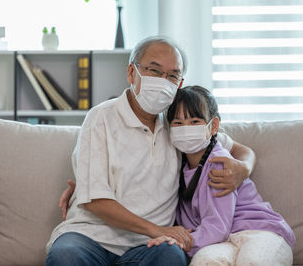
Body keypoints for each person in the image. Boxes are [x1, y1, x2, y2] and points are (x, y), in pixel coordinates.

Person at [45, 36, 256, 266]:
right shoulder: (101, 117)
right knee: (65, 255)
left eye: (172, 76)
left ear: (180, 85)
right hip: (90, 237)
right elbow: (94, 199)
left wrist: (243, 168)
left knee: (171, 257)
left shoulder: (179, 125)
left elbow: (238, 149)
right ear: (131, 73)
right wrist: (157, 229)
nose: (163, 82)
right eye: (154, 71)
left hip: (148, 246)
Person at [147, 86, 295, 265]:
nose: (186, 129)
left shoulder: (219, 163)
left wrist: (180, 241)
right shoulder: (177, 165)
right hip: (221, 241)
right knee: (204, 262)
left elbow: (218, 225)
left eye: (194, 121)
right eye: (178, 123)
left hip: (259, 232)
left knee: (253, 262)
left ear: (213, 126)